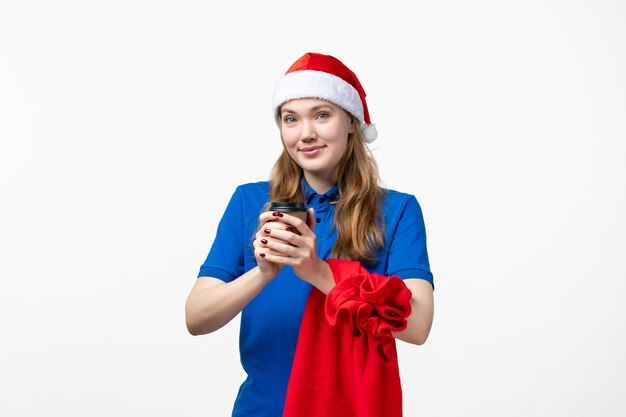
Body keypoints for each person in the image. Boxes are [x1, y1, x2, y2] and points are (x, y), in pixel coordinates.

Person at [185, 52, 435, 417]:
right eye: (291, 119)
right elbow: (197, 317)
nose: (306, 134)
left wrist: (320, 274)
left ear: (350, 122)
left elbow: (417, 325)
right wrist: (263, 272)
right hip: (261, 409)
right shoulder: (250, 202)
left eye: (322, 115)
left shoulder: (396, 211)